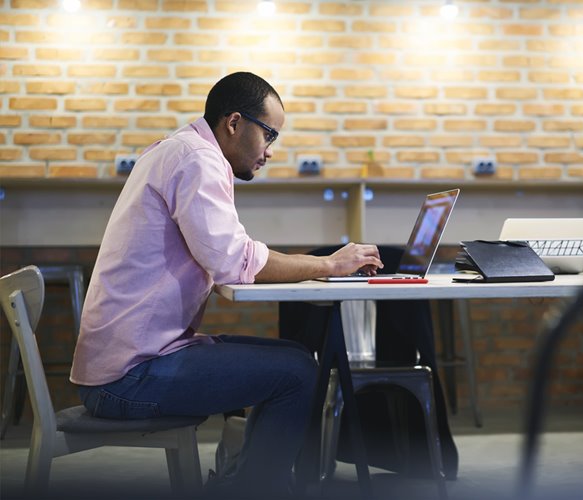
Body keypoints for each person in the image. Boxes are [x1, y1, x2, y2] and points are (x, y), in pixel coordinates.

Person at [69, 71, 383, 498]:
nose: (270, 152)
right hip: (127, 377)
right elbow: (233, 260)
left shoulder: (181, 151)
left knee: (295, 357)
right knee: (296, 373)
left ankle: (245, 484)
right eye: (269, 135)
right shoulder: (195, 159)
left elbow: (225, 256)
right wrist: (328, 264)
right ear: (234, 123)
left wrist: (302, 265)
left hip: (132, 360)